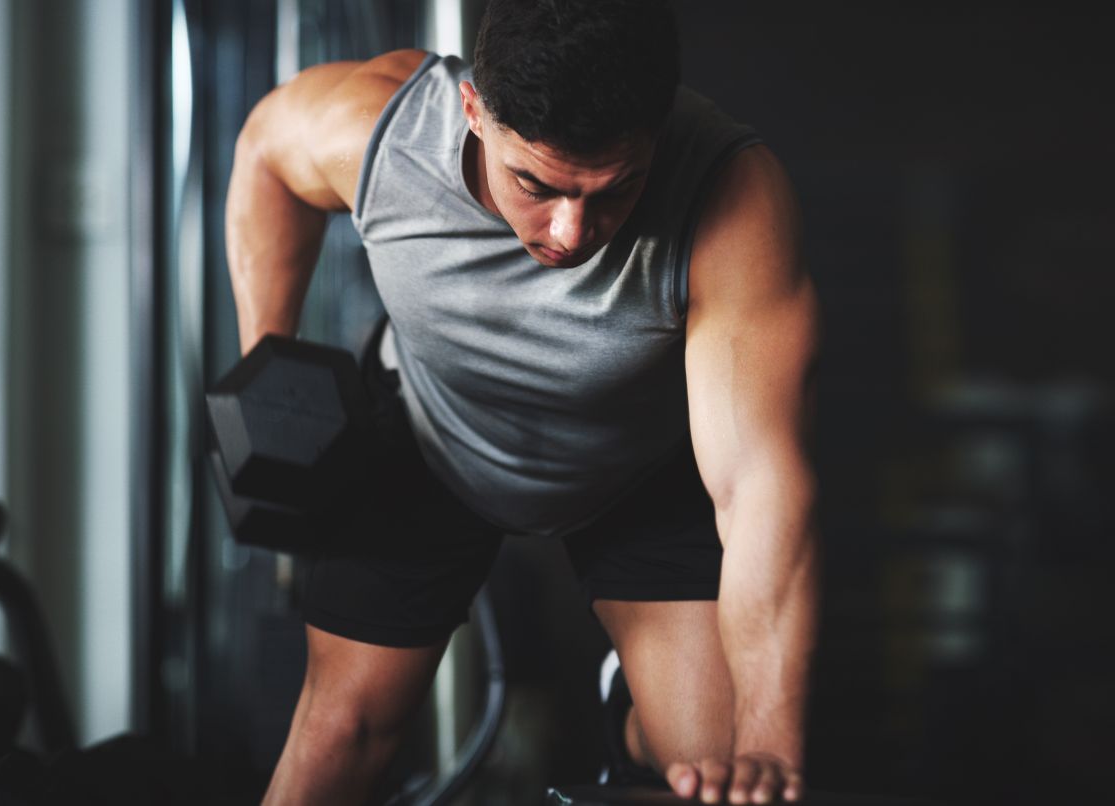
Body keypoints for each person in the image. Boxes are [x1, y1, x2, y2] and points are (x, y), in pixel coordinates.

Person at [225, 0, 819, 803]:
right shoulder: (381, 133)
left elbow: (757, 485)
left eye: (615, 190)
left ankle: (629, 715)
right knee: (340, 737)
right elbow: (264, 151)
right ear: (474, 110)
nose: (571, 233)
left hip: (631, 467)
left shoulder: (729, 193)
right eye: (535, 183)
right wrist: (269, 366)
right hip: (426, 434)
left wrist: (771, 746)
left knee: (706, 764)